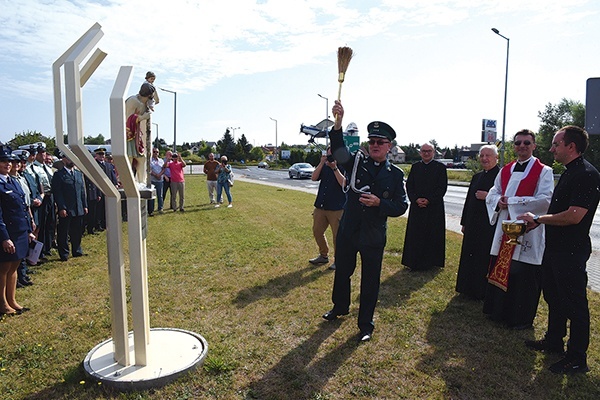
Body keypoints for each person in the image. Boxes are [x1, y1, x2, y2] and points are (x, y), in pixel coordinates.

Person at [322, 100, 408, 342]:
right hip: (349, 229)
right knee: (343, 272)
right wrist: (338, 123)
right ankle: (339, 307)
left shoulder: (396, 174)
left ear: (389, 146)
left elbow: (402, 206)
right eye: (372, 141)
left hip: (373, 234)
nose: (375, 145)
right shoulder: (357, 161)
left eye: (380, 142)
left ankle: (366, 325)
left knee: (370, 280)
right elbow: (339, 152)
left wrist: (380, 203)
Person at [519, 126, 600, 374]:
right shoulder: (569, 172)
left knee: (574, 304)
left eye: (556, 144)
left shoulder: (586, 174)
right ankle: (554, 341)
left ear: (570, 147)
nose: (552, 148)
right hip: (555, 249)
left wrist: (539, 219)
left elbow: (574, 216)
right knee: (554, 297)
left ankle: (577, 357)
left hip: (570, 251)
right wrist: (537, 222)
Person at [483, 129, 554, 329]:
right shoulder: (505, 169)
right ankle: (498, 311)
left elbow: (545, 200)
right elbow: (493, 192)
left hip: (528, 230)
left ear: (534, 146)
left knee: (524, 273)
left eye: (526, 143)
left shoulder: (544, 171)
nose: (521, 146)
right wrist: (498, 201)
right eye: (517, 143)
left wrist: (511, 202)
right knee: (504, 266)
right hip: (504, 228)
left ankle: (520, 318)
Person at [455, 145, 500, 300]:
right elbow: (469, 201)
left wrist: (488, 196)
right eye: (482, 156)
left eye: (488, 155)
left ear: (496, 158)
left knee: (483, 258)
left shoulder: (501, 177)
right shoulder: (477, 176)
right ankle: (466, 287)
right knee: (469, 255)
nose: (484, 159)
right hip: (473, 223)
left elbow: (503, 200)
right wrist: (464, 222)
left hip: (489, 226)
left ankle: (481, 291)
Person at [401, 143, 448, 271]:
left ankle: (431, 263)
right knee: (415, 235)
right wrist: (416, 199)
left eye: (429, 151)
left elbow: (442, 188)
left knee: (432, 235)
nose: (426, 153)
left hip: (434, 208)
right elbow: (409, 186)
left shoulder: (440, 168)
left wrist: (429, 200)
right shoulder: (415, 167)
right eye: (424, 151)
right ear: (420, 153)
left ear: (433, 152)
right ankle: (413, 262)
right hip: (417, 207)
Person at [0, 146, 34, 316]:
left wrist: (28, 229)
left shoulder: (12, 180)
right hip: (7, 233)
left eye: (9, 161)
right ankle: (3, 303)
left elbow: (22, 206)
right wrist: (4, 238)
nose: (7, 164)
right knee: (4, 267)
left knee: (14, 266)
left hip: (20, 230)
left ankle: (12, 300)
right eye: (3, 161)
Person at [309, 147, 346, 270]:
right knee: (317, 231)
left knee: (337, 236)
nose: (329, 155)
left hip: (337, 208)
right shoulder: (323, 165)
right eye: (328, 153)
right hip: (321, 205)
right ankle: (323, 255)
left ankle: (339, 260)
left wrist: (334, 168)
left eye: (332, 153)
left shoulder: (343, 165)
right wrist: (321, 163)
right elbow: (314, 178)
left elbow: (344, 183)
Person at [52, 155, 88, 261]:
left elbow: (82, 191)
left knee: (77, 231)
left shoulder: (78, 174)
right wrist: (61, 207)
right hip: (66, 208)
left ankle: (77, 250)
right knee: (63, 232)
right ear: (63, 160)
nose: (71, 161)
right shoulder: (58, 175)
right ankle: (64, 253)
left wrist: (84, 205)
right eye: (68, 158)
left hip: (78, 207)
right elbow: (57, 193)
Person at [148, 148, 165, 216]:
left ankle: (160, 208)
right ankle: (151, 210)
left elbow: (164, 169)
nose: (156, 153)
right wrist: (156, 175)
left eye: (157, 152)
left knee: (160, 195)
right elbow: (149, 170)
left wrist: (160, 175)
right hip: (152, 180)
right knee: (152, 196)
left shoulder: (161, 160)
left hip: (160, 181)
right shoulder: (149, 161)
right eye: (154, 152)